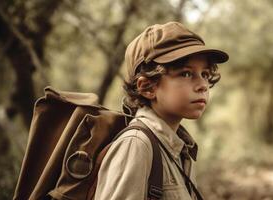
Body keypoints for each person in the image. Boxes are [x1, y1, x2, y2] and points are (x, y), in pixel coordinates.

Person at [94, 21, 228, 200]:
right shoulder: (137, 145)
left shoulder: (178, 148)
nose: (203, 85)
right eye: (186, 73)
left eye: (204, 74)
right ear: (147, 87)